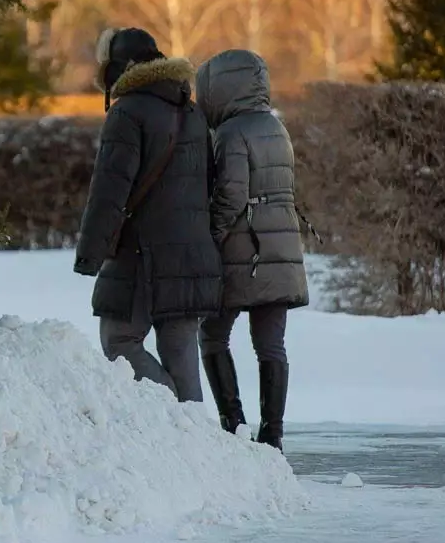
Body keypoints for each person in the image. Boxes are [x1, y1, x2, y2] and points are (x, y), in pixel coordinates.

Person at [73, 27, 222, 402]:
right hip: (194, 252)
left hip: (142, 254)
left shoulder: (128, 113)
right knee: (181, 353)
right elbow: (209, 183)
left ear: (118, 69)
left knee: (119, 340)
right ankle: (198, 447)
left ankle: (172, 417)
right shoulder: (191, 112)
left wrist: (90, 254)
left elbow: (110, 189)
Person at [195, 49, 309, 452]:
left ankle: (234, 424)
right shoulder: (276, 128)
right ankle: (273, 433)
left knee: (212, 335)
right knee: (270, 344)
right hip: (281, 248)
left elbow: (231, 194)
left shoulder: (230, 133)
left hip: (243, 253)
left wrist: (208, 238)